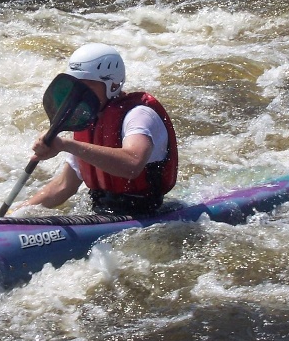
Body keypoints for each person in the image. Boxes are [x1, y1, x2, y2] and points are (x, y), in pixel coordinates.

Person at [21, 43, 178, 215]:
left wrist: (66, 145)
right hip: (103, 212)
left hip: (146, 212)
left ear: (113, 85)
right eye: (76, 87)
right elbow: (63, 186)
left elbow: (132, 165)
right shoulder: (89, 122)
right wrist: (15, 216)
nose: (80, 95)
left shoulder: (139, 115)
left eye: (87, 87)